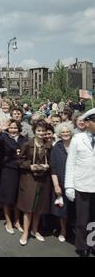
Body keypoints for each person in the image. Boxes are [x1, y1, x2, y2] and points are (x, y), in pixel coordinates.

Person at [65, 108, 95, 257]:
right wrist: (69, 185)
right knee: (82, 219)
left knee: (94, 219)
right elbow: (70, 164)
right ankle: (82, 246)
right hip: (82, 185)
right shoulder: (78, 139)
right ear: (88, 123)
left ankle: (93, 243)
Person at [17, 120, 52, 246]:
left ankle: (35, 230)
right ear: (34, 131)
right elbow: (19, 161)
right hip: (29, 179)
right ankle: (25, 232)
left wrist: (48, 166)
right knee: (28, 208)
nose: (41, 133)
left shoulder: (49, 145)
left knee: (39, 208)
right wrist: (29, 166)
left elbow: (52, 162)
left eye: (43, 131)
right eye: (39, 130)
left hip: (43, 180)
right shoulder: (27, 144)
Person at [0, 119, 26, 234]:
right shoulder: (4, 137)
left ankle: (17, 221)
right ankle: (8, 221)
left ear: (19, 129)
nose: (13, 130)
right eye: (11, 128)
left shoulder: (23, 139)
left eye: (15, 128)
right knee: (8, 197)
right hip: (8, 169)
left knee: (17, 197)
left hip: (20, 170)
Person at [50, 122, 75, 243]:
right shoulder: (57, 147)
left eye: (68, 132)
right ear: (59, 134)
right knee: (62, 209)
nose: (66, 134)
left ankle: (76, 231)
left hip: (77, 182)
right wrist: (56, 185)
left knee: (77, 209)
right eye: (63, 132)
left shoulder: (76, 144)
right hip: (61, 182)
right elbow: (53, 168)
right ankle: (63, 231)